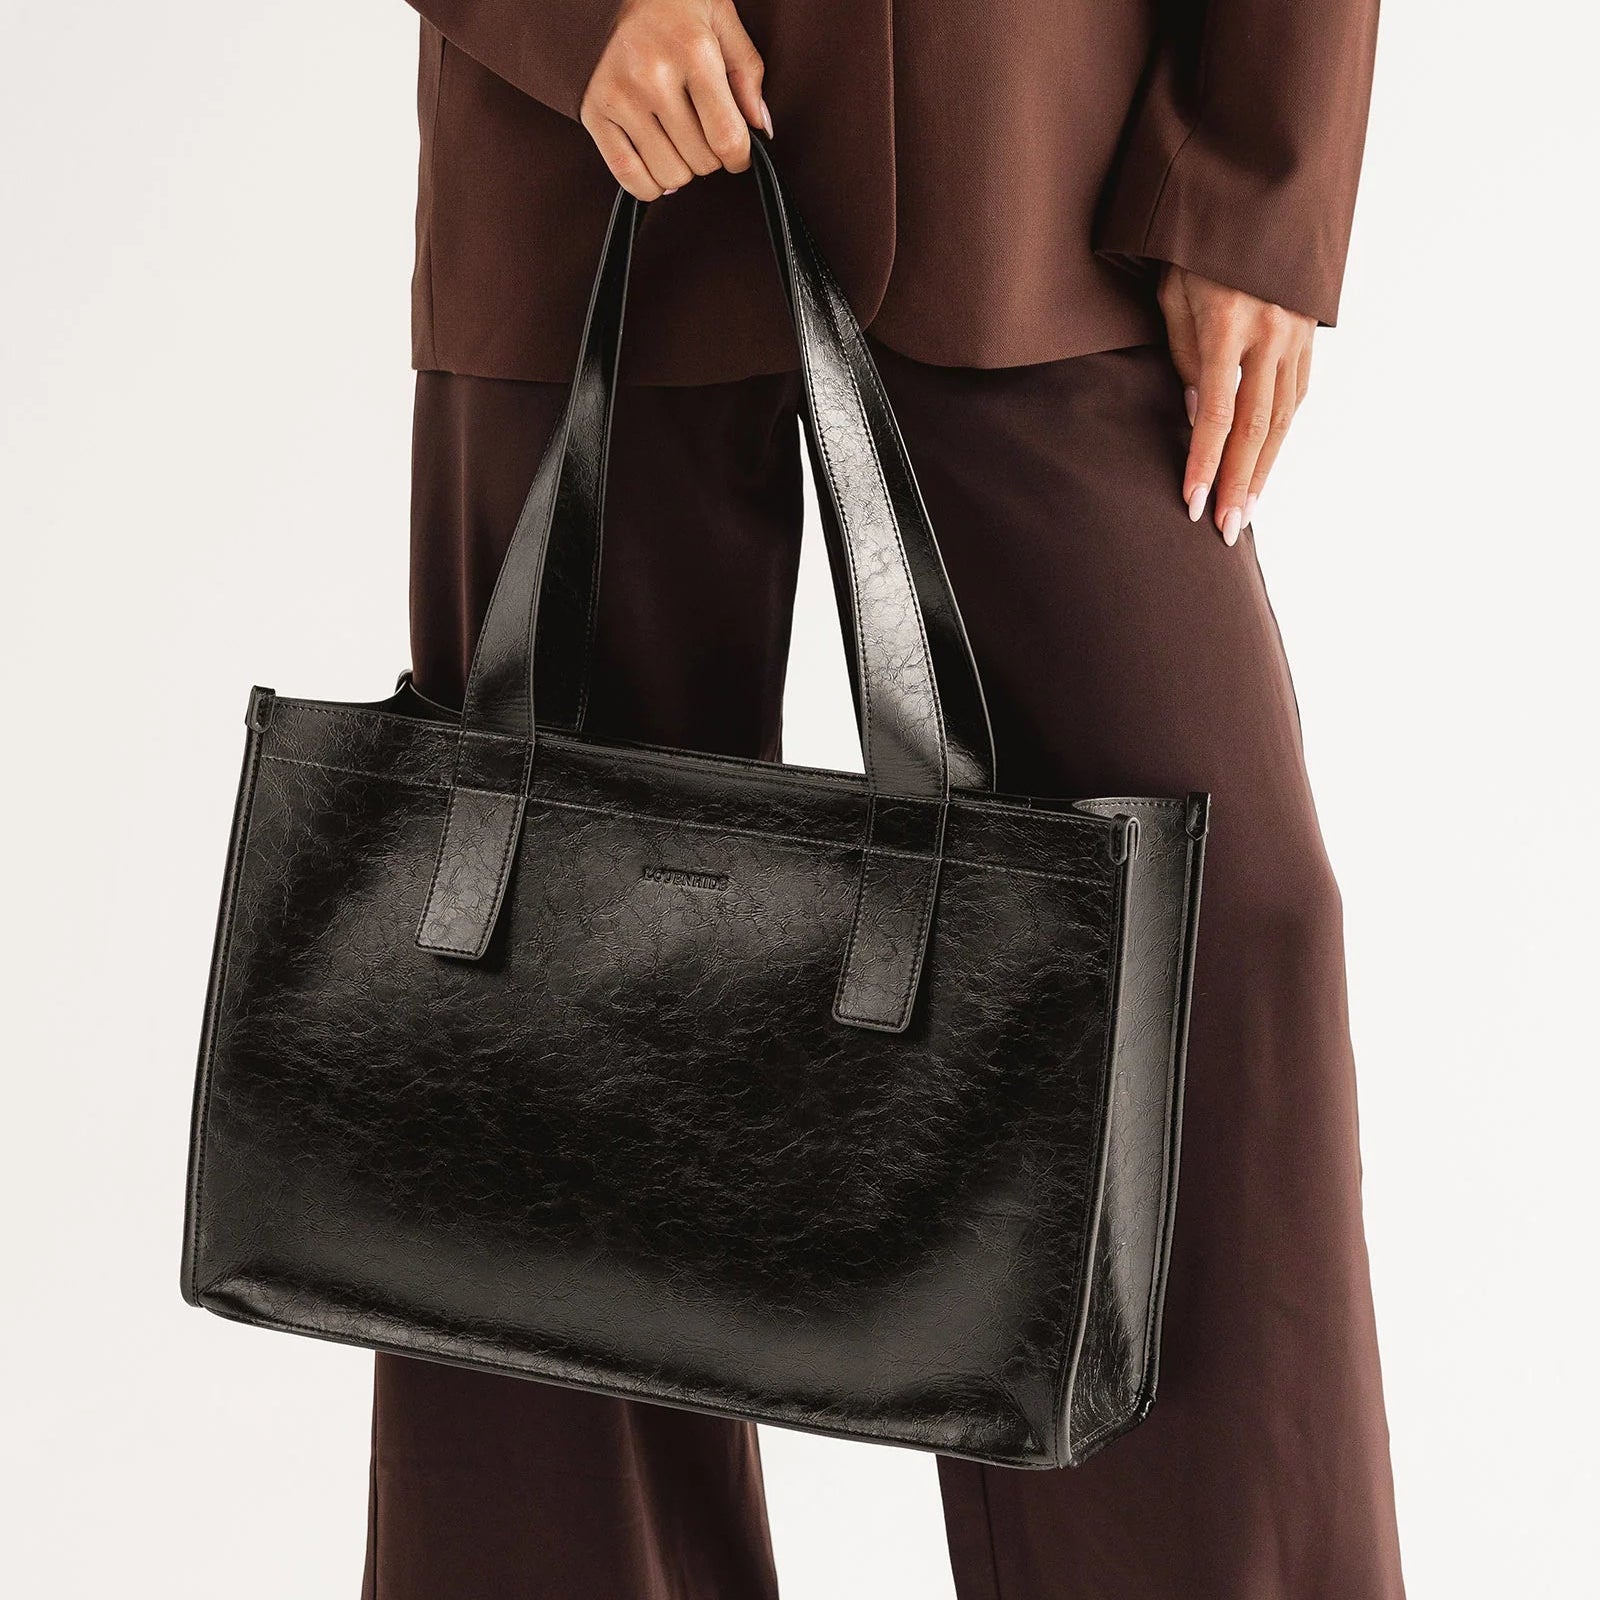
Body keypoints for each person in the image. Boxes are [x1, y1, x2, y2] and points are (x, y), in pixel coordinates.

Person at [365, 2, 1404, 1595]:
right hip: (591, 143)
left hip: (1051, 148)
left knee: (1210, 945)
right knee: (546, 1013)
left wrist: (1258, 176)